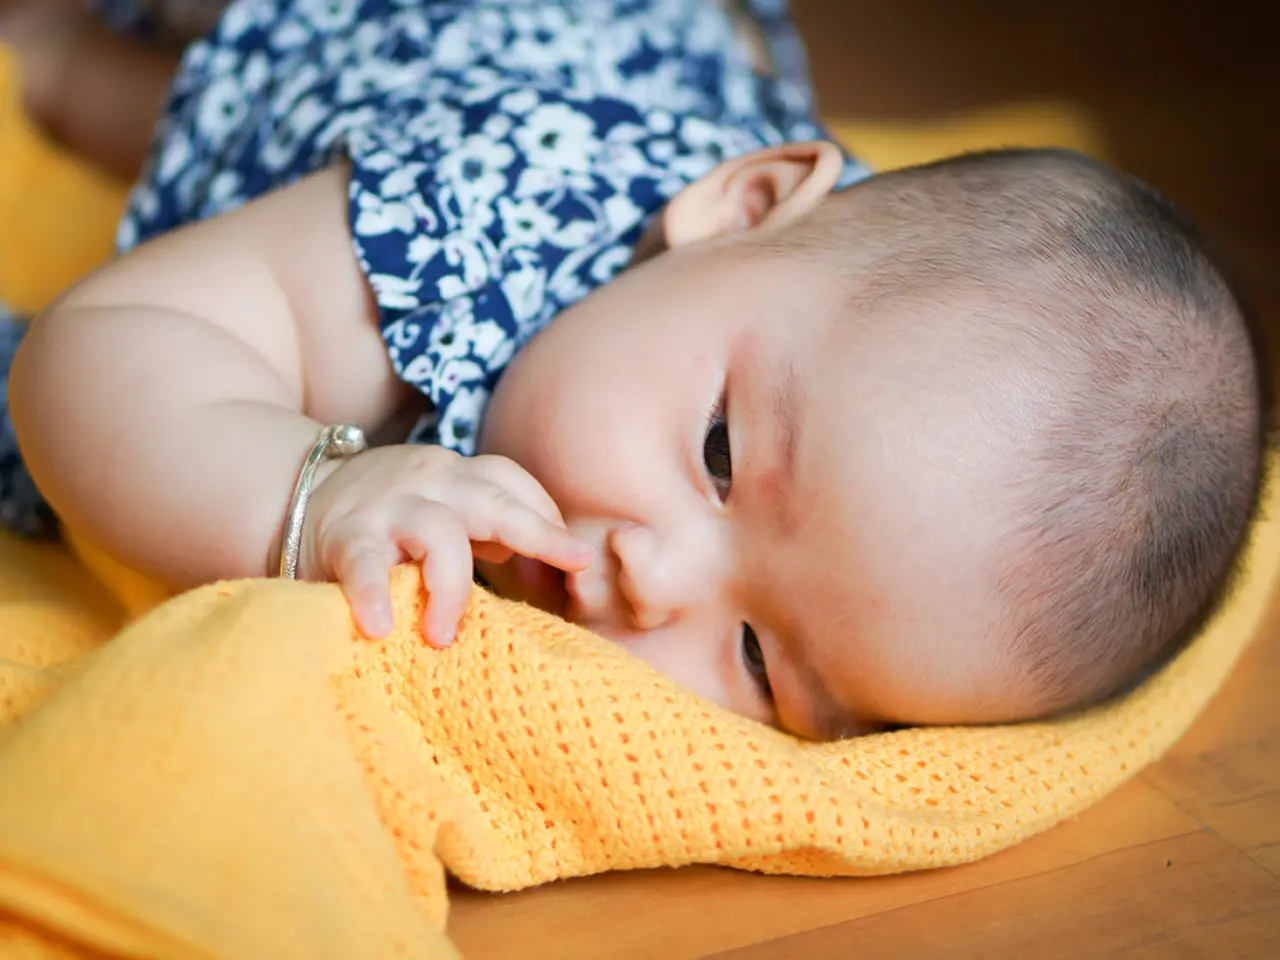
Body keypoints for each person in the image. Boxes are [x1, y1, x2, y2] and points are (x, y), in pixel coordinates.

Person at [0, 0, 1269, 740]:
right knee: (232, 92)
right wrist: (313, 491)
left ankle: (61, 69)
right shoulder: (455, 224)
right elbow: (99, 353)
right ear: (738, 206)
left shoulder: (803, 353)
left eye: (765, 665)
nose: (654, 583)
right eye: (718, 457)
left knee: (138, 100)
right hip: (446, 34)